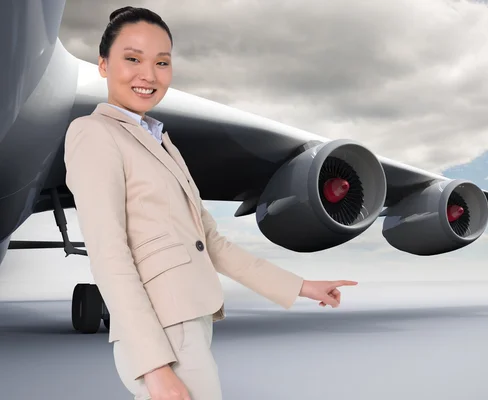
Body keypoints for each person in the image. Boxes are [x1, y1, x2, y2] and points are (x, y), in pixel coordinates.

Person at [64, 6, 358, 400]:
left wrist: (301, 286)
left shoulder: (163, 143)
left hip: (190, 323)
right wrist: (153, 369)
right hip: (163, 336)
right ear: (103, 65)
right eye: (132, 59)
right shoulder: (93, 133)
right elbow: (109, 255)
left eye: (161, 62)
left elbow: (212, 242)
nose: (148, 75)